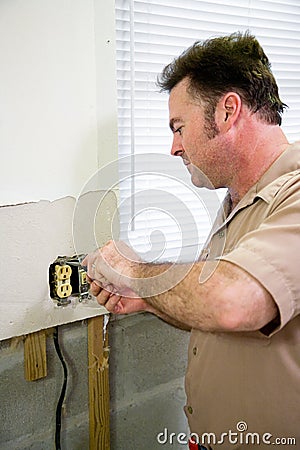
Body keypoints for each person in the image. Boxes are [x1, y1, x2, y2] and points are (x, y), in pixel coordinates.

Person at [83, 31, 300, 449]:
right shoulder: (237, 203)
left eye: (179, 128)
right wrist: (149, 297)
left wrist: (133, 271)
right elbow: (216, 314)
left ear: (228, 111)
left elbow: (233, 303)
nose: (173, 147)